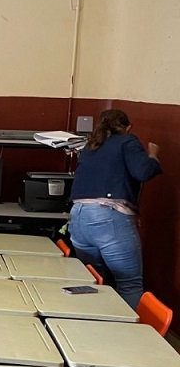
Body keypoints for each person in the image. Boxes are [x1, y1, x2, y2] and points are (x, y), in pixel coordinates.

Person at [69, 109, 161, 309]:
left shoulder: (90, 145)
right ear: (127, 127)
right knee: (129, 284)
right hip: (109, 218)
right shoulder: (127, 141)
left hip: (78, 217)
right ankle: (129, 336)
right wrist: (153, 156)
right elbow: (143, 171)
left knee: (93, 281)